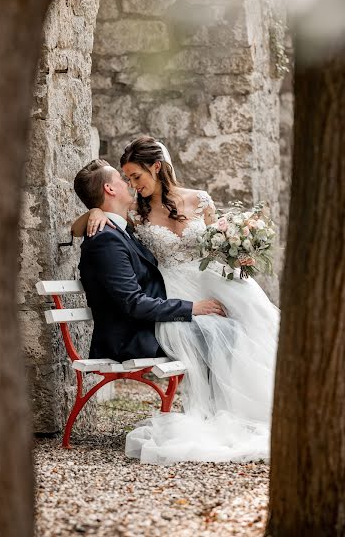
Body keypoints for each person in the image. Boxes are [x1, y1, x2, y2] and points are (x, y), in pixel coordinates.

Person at [72, 137, 280, 464]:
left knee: (250, 331)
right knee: (219, 333)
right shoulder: (136, 214)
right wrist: (94, 209)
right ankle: (225, 415)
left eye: (136, 177)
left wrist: (244, 256)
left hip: (216, 280)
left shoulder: (199, 200)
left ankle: (260, 410)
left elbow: (224, 247)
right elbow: (90, 224)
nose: (133, 185)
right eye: (126, 180)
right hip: (175, 291)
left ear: (156, 167)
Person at [74, 159, 226, 363]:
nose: (129, 183)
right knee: (225, 334)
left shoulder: (120, 229)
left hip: (148, 325)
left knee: (228, 326)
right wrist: (192, 308)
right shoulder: (106, 240)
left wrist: (95, 210)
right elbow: (133, 302)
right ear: (109, 188)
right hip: (134, 338)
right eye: (122, 179)